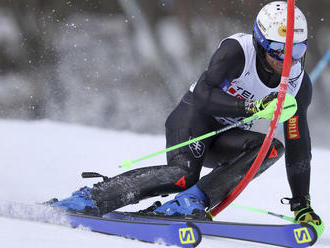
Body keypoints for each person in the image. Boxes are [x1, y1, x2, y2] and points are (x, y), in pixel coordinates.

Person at [51, 1, 322, 228]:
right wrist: (251, 108)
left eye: (297, 50)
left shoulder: (299, 85)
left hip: (226, 139)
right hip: (194, 120)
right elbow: (203, 95)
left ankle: (192, 201)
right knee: (181, 176)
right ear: (261, 43)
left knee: (271, 148)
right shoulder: (237, 52)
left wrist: (302, 203)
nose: (289, 60)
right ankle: (92, 198)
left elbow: (299, 144)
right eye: (280, 50)